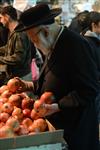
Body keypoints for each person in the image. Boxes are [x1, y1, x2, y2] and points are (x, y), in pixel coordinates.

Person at [16, 4, 99, 150]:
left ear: (46, 32)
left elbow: (89, 90)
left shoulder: (76, 46)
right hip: (60, 127)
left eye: (34, 40)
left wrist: (57, 106)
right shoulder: (53, 43)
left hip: (76, 131)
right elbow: (57, 78)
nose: (35, 45)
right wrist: (29, 85)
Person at [0, 5, 35, 86]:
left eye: (1, 18)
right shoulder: (13, 31)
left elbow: (18, 58)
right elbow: (9, 48)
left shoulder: (19, 33)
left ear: (7, 17)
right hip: (17, 76)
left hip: (22, 77)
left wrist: (0, 59)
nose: (0, 21)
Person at [81, 11, 100, 123]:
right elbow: (91, 67)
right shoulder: (88, 42)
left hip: (95, 84)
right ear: (94, 25)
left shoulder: (93, 40)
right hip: (95, 85)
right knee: (95, 115)